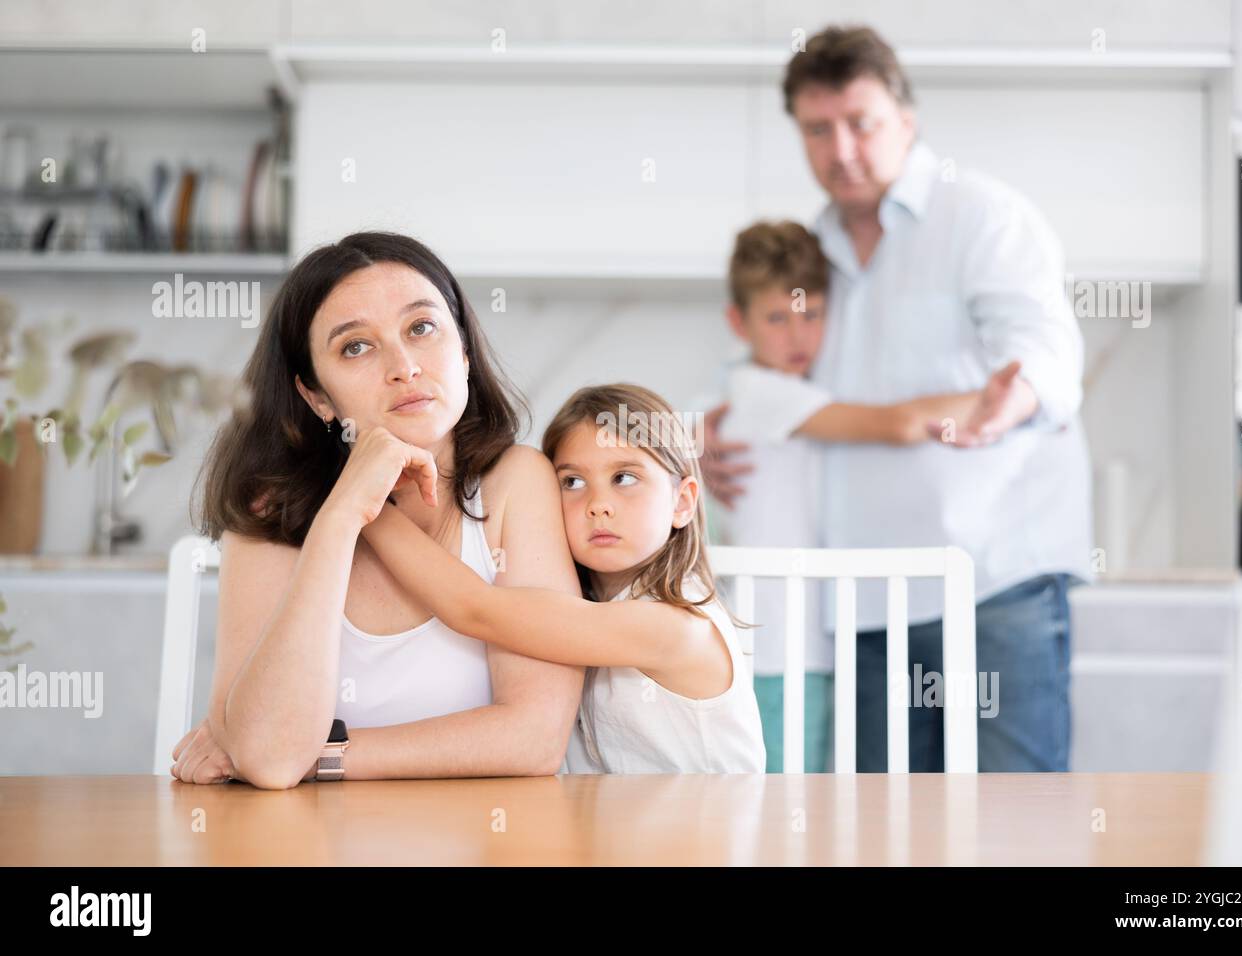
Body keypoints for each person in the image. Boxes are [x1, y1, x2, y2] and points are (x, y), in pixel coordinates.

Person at [702, 26, 1093, 772]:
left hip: (992, 581)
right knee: (883, 837)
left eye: (861, 122)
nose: (841, 149)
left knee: (1017, 826)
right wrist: (720, 429)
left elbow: (1047, 350)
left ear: (906, 120)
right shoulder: (811, 250)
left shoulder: (980, 215)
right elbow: (776, 367)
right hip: (865, 601)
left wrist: (1010, 400)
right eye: (818, 129)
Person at [169, 231, 584, 788]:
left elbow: (534, 738)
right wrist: (339, 518)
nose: (404, 366)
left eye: (421, 327)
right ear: (316, 397)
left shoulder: (515, 483)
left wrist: (318, 756)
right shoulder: (271, 512)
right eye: (355, 347)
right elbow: (269, 759)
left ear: (462, 350)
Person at [358, 382, 766, 773]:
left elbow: (473, 609)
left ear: (682, 502)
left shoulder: (677, 627)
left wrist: (364, 503)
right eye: (572, 482)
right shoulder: (586, 608)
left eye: (625, 478)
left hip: (705, 842)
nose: (598, 505)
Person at [714, 219, 981, 772]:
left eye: (811, 314)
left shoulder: (784, 395)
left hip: (805, 642)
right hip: (774, 646)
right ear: (738, 322)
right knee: (780, 801)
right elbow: (900, 424)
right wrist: (1000, 398)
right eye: (777, 318)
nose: (797, 335)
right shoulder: (763, 394)